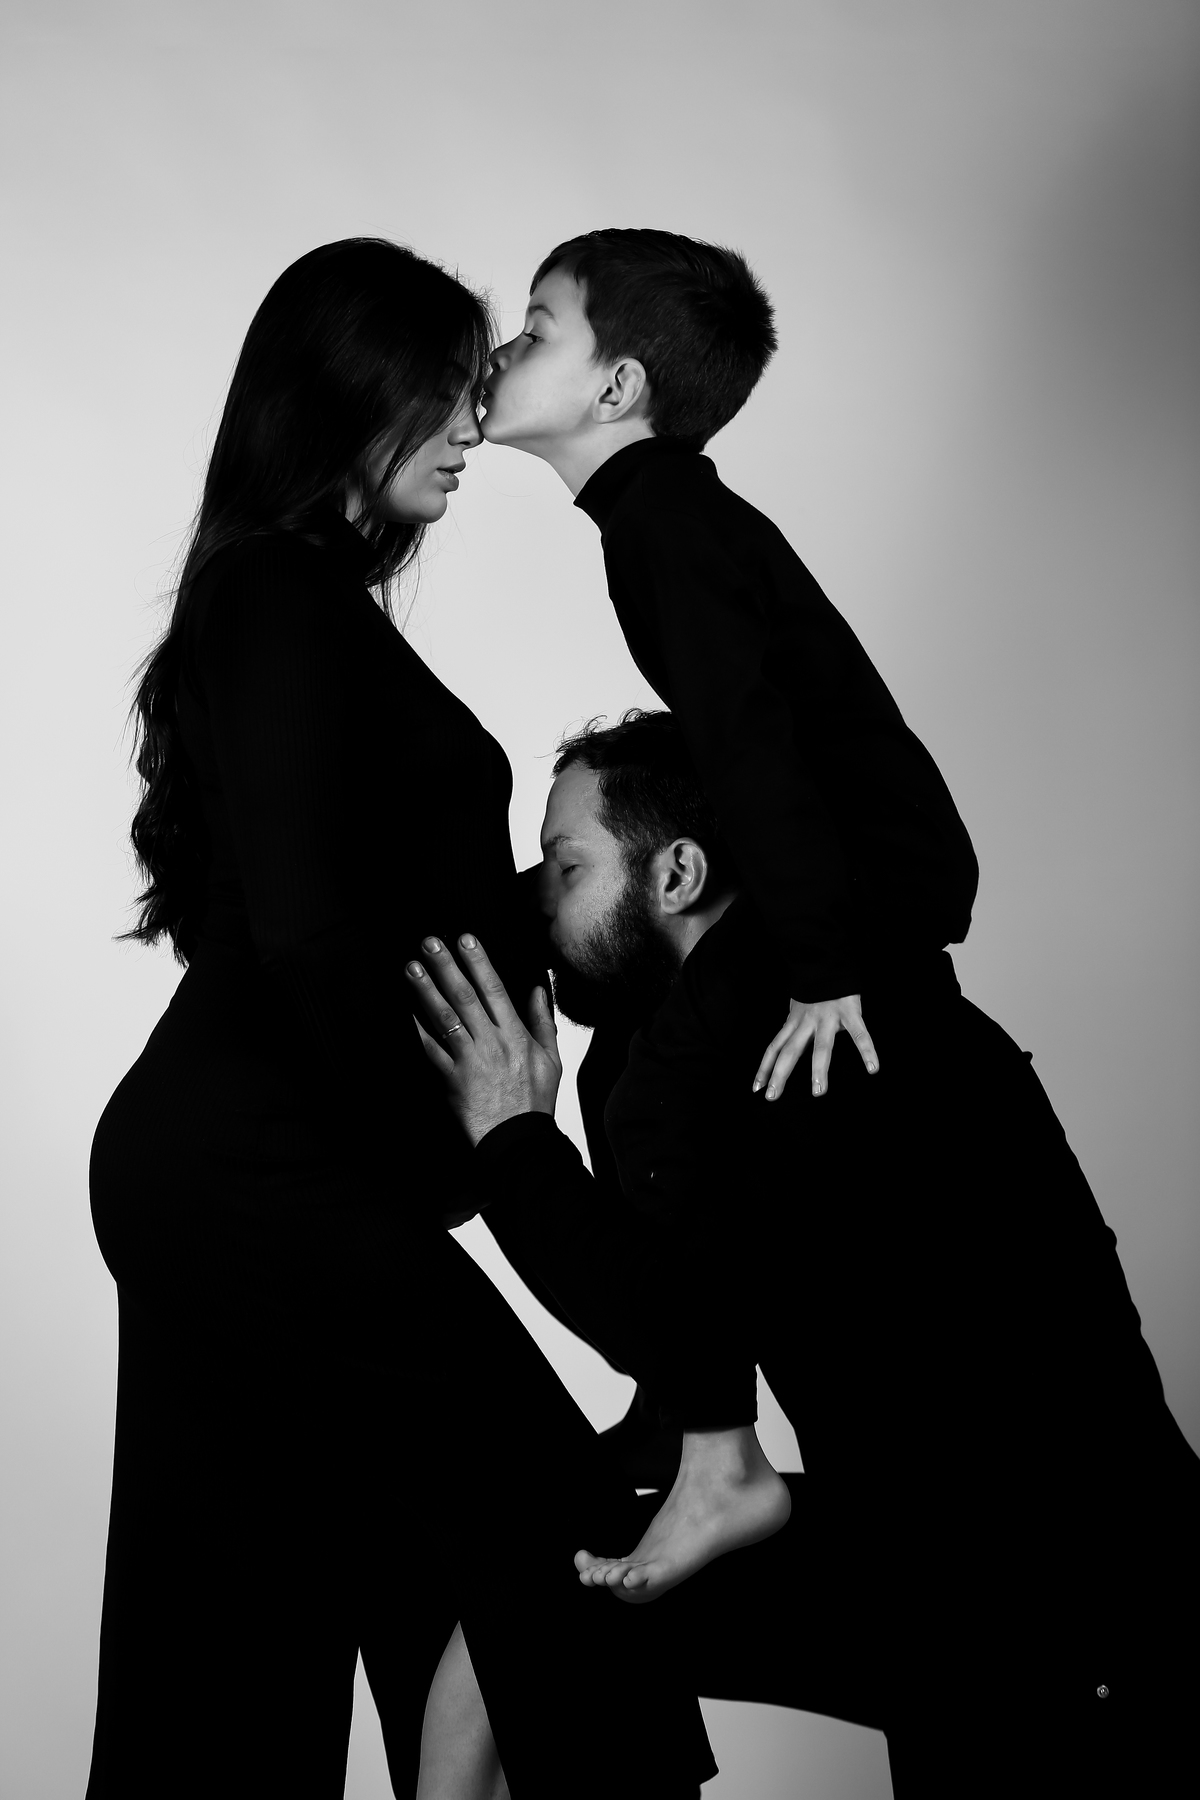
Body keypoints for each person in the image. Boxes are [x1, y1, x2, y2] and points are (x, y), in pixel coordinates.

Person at [86, 241, 714, 1800]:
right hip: (255, 1174)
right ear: (337, 400)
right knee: (548, 1524)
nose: (470, 422)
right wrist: (471, 1143)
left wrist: (590, 908)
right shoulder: (270, 595)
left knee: (250, 1612)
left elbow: (364, 913)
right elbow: (310, 936)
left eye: (471, 387)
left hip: (250, 1168)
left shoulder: (308, 606)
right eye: (436, 393)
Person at [405, 709, 1200, 1798]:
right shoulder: (711, 1044)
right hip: (945, 1563)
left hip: (1069, 1606)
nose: (534, 897)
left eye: (565, 864)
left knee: (530, 1604)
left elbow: (675, 1320)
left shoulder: (813, 1046)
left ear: (678, 874)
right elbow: (697, 1344)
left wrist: (511, 1137)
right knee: (525, 1602)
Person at [475, 224, 981, 1573]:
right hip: (827, 876)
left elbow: (752, 748)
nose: (501, 351)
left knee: (653, 1098)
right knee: (623, 1061)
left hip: (863, 891)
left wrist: (822, 967)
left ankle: (720, 1458)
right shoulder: (656, 517)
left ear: (618, 387)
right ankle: (677, 1405)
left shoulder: (666, 527)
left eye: (535, 329)